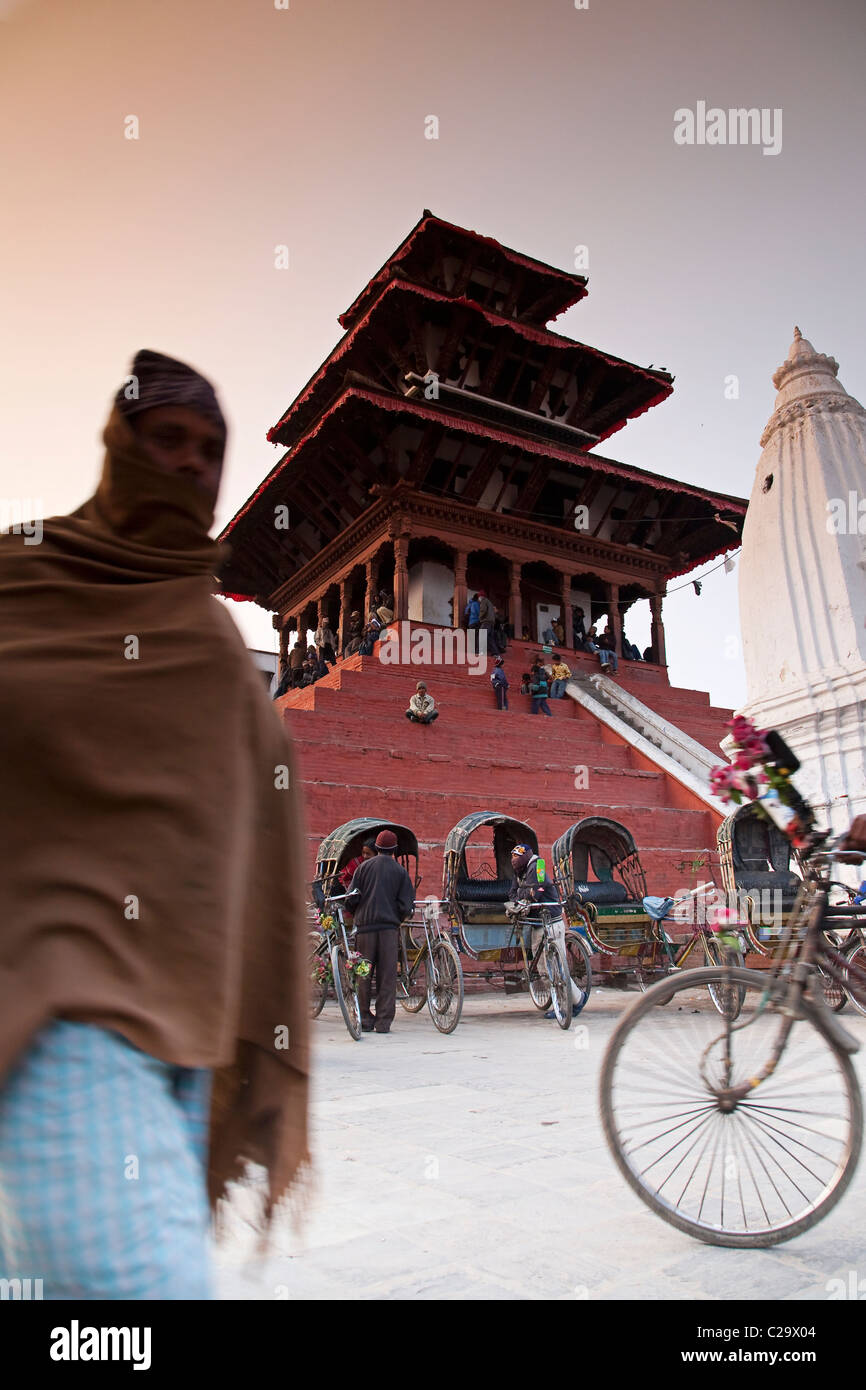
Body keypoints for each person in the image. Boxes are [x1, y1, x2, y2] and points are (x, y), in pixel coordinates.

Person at [0, 349, 310, 1299]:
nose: (189, 464)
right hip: (60, 1015)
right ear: (120, 445)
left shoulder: (212, 637)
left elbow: (259, 816)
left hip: (190, 1038)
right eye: (167, 439)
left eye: (210, 450)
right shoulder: (24, 581)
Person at [345, 830, 415, 1033]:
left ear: (377, 847)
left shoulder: (363, 868)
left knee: (363, 975)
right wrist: (397, 918)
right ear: (393, 850)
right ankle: (383, 1022)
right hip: (388, 930)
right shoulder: (400, 872)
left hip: (365, 929)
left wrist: (358, 911)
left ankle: (365, 1019)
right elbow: (405, 905)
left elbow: (351, 898)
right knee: (387, 976)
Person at [509, 846, 586, 1019]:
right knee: (543, 967)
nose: (513, 860)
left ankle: (571, 1002)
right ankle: (570, 1000)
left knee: (556, 966)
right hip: (536, 924)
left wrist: (526, 893)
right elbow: (513, 893)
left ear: (526, 856)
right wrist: (524, 893)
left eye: (517, 856)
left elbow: (536, 892)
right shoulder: (518, 871)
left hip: (552, 921)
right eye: (512, 857)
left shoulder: (540, 866)